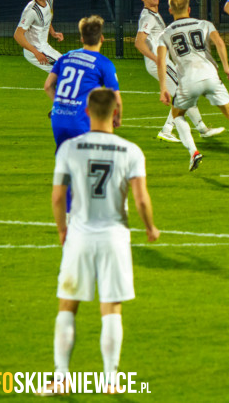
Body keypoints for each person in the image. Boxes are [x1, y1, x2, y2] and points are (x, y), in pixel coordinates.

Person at [47, 88, 159, 396]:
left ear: (86, 112)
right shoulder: (131, 151)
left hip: (79, 236)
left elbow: (58, 197)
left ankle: (61, 377)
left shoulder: (69, 148)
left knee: (67, 306)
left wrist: (61, 230)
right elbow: (140, 198)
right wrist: (150, 227)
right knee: (111, 308)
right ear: (115, 113)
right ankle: (110, 379)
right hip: (114, 237)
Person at [157, 0, 229, 171]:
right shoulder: (204, 24)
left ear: (170, 11)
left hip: (188, 81)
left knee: (177, 115)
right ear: (189, 9)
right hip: (211, 75)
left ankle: (194, 152)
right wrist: (227, 67)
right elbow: (220, 43)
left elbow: (160, 61)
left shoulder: (165, 34)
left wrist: (163, 88)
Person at [134, 0, 224, 143]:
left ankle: (174, 129)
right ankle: (196, 129)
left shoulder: (153, 15)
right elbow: (139, 42)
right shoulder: (148, 16)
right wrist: (157, 59)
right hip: (159, 63)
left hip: (163, 62)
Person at [44, 15, 122, 149]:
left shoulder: (65, 57)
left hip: (58, 119)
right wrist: (117, 117)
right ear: (102, 38)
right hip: (81, 121)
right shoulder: (104, 64)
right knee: (85, 163)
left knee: (63, 162)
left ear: (82, 39)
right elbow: (116, 99)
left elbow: (48, 86)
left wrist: (60, 104)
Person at [14, 0, 63, 72]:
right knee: (66, 69)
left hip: (44, 47)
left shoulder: (49, 0)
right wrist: (36, 53)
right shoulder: (31, 11)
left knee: (62, 71)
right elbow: (17, 35)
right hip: (35, 51)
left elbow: (47, 18)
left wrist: (53, 32)